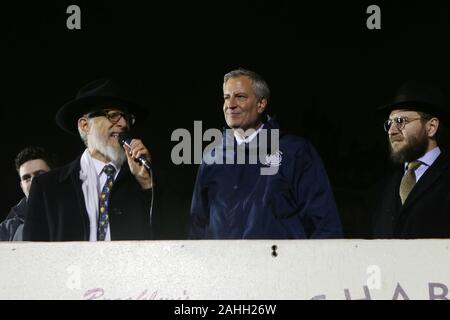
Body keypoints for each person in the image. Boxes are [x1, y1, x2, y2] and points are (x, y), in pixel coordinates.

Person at [190, 68, 342, 239]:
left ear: (261, 104)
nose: (230, 104)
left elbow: (324, 223)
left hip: (281, 264)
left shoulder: (295, 152)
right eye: (226, 97)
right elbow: (198, 226)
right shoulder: (211, 158)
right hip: (225, 264)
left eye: (240, 97)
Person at [23, 79, 155, 241]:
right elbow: (31, 254)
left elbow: (167, 240)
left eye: (127, 117)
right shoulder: (47, 187)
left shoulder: (145, 180)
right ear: (85, 125)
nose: (123, 124)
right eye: (113, 115)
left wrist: (146, 184)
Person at [372, 80, 450, 238]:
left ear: (431, 127)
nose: (392, 131)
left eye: (401, 121)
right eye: (389, 123)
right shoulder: (382, 189)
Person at [0, 147, 54, 241]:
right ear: (22, 186)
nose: (33, 181)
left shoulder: (77, 211)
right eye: (26, 178)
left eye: (40, 174)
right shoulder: (7, 230)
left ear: (54, 176)